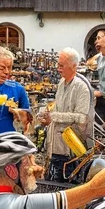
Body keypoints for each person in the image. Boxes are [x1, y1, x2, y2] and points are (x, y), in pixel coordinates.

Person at [36, 48, 94, 182]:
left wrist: (54, 117)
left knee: (69, 186)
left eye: (62, 65)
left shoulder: (82, 87)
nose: (58, 68)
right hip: (57, 145)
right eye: (58, 64)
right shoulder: (62, 82)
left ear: (74, 66)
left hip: (73, 149)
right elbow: (57, 109)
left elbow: (82, 117)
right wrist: (47, 119)